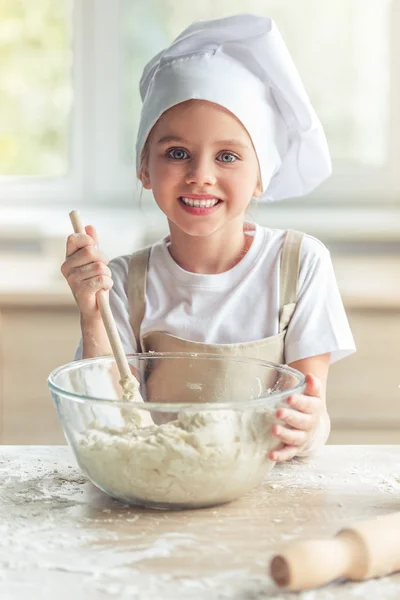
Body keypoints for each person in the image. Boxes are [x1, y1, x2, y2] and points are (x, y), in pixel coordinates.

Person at [61, 14, 355, 463]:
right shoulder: (122, 282)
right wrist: (90, 312)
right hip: (154, 489)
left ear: (262, 176)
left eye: (228, 156)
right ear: (144, 168)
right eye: (177, 153)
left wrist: (309, 430)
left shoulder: (299, 265)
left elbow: (310, 409)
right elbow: (109, 420)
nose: (201, 176)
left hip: (261, 495)